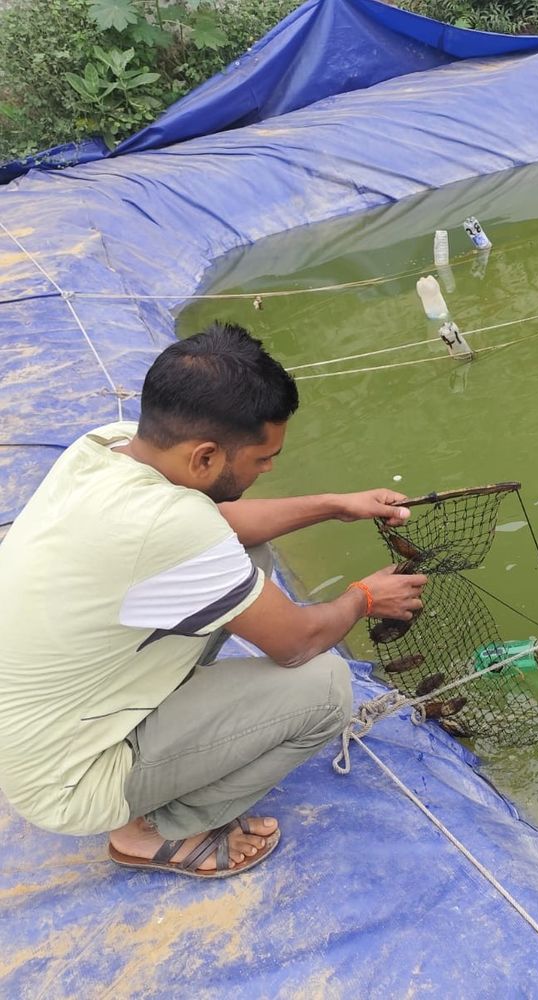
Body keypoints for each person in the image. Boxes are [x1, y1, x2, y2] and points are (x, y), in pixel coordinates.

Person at [0, 323, 427, 878]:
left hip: (34, 727)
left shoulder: (105, 447)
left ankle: (154, 755)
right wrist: (366, 597)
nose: (269, 469)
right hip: (67, 779)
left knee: (246, 556)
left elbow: (221, 524)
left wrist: (334, 504)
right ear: (204, 458)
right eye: (263, 458)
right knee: (326, 688)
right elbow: (297, 644)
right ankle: (155, 830)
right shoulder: (170, 527)